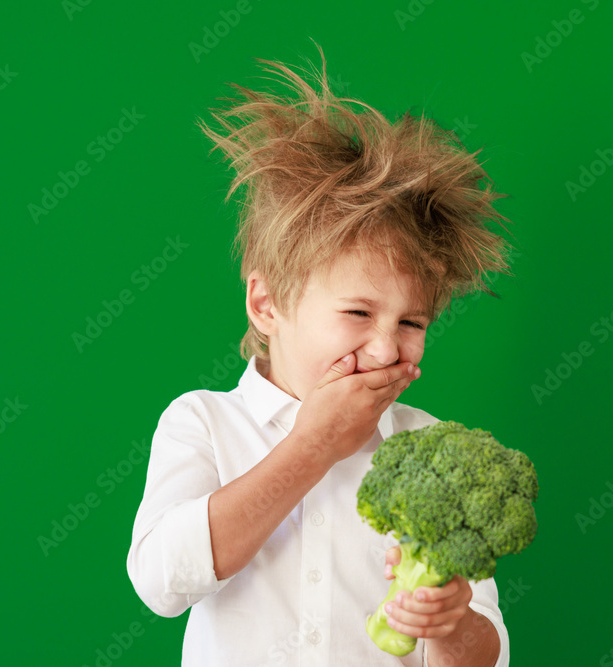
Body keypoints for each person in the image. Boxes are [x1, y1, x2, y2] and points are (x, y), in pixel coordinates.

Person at [126, 40, 517, 666]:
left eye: (412, 322)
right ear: (266, 305)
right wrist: (312, 446)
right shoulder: (201, 424)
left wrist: (450, 625)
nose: (387, 346)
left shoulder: (436, 455)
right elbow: (162, 583)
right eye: (358, 313)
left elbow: (486, 659)